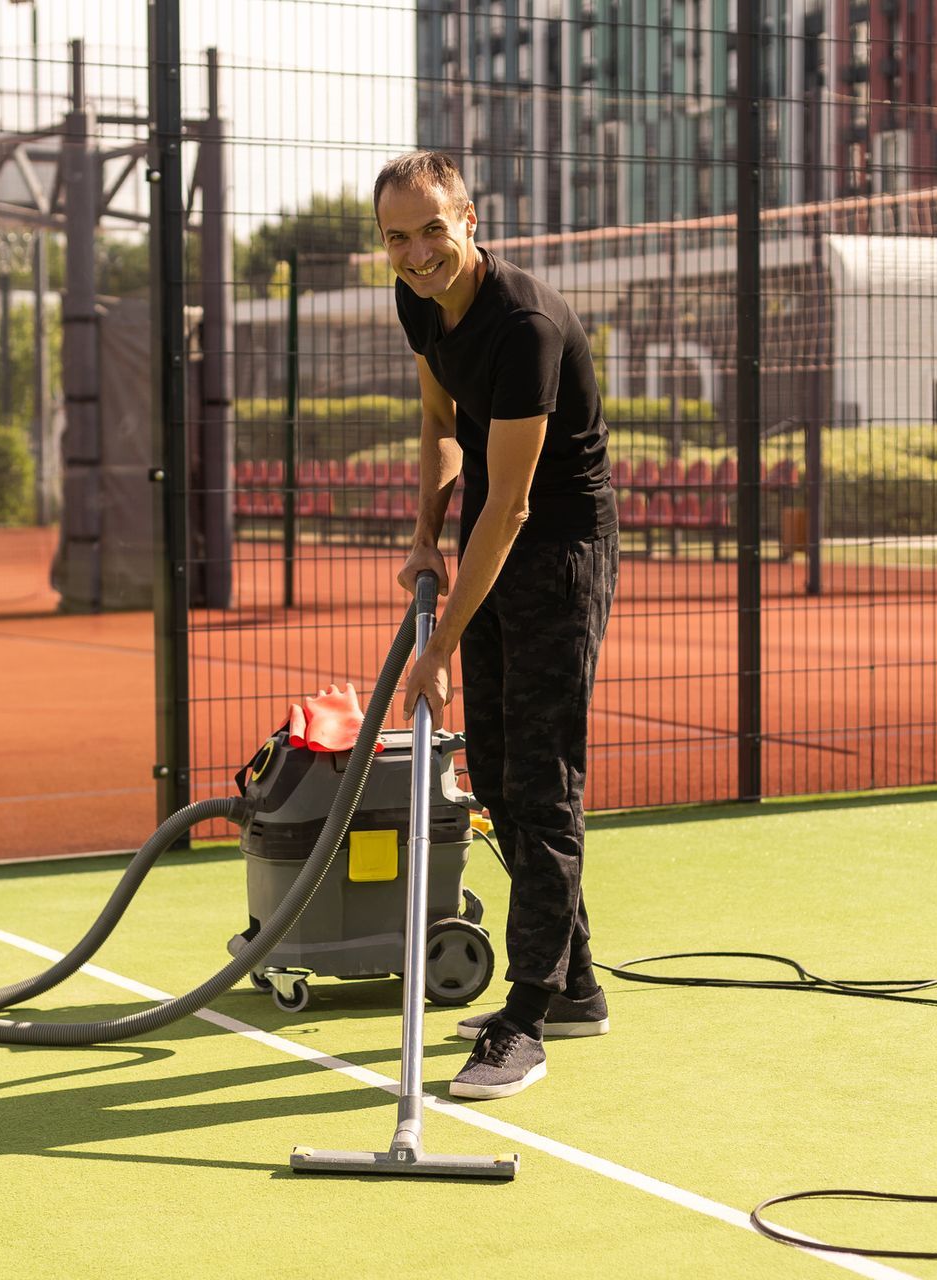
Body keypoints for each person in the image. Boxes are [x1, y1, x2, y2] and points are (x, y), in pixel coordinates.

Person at [377, 150, 619, 1101]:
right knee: (505, 783)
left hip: (557, 550)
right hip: (487, 535)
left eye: (432, 229)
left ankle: (524, 1021)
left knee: (542, 783)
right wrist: (425, 533)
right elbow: (442, 421)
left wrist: (435, 651)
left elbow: (514, 504)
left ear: (469, 219)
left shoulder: (523, 326)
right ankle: (575, 986)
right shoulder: (419, 302)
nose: (417, 252)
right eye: (397, 237)